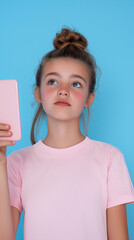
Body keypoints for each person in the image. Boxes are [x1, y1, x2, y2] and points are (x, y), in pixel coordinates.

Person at [0, 27, 134, 240]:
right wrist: (0, 161)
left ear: (89, 98)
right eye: (53, 81)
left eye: (76, 83)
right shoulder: (16, 162)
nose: (64, 90)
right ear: (38, 93)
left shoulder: (110, 158)